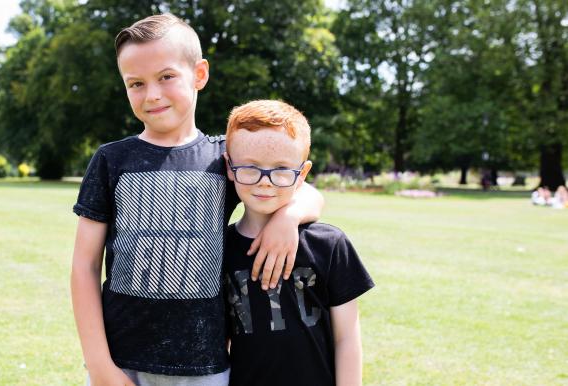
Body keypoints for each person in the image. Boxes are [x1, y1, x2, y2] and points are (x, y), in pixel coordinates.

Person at [70, 14, 325, 386]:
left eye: (166, 77)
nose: (152, 94)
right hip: (122, 363)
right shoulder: (111, 160)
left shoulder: (224, 157)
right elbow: (84, 267)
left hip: (204, 366)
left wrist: (289, 218)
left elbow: (308, 190)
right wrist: (100, 366)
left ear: (200, 75)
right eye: (136, 83)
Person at [223, 100, 374, 385]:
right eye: (250, 168)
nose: (265, 182)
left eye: (281, 169)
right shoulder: (220, 249)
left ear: (302, 174)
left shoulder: (329, 245)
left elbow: (347, 338)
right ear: (230, 168)